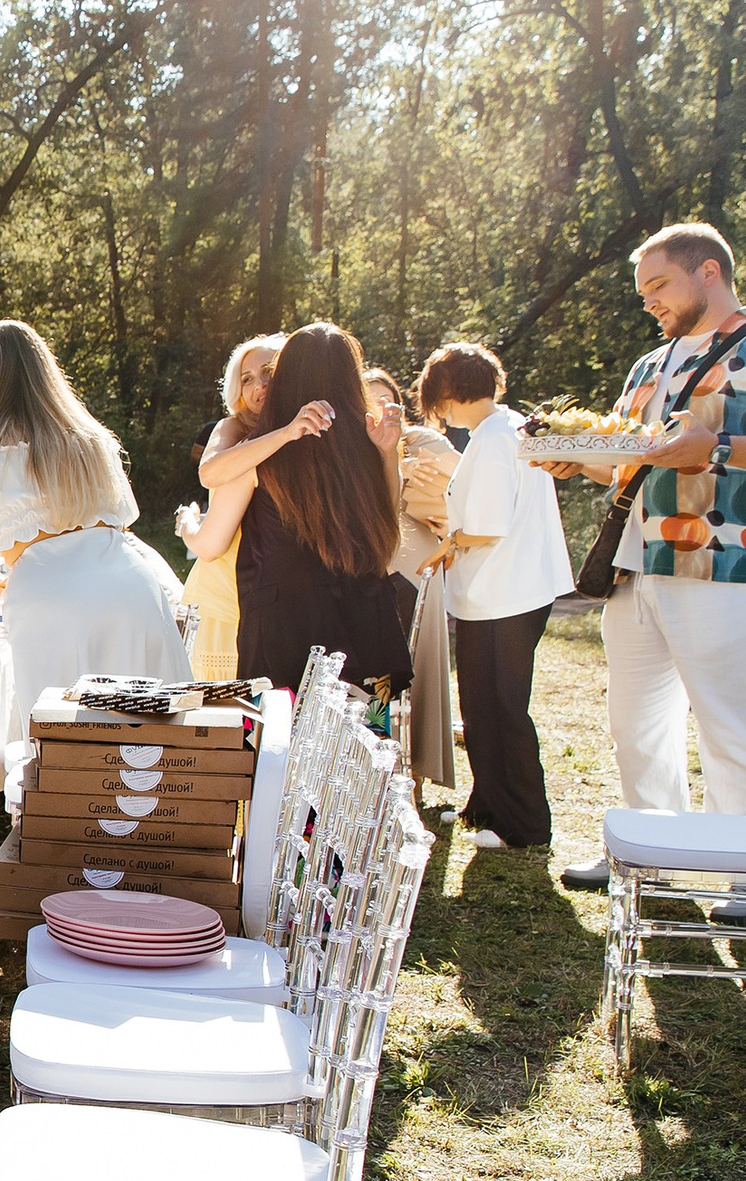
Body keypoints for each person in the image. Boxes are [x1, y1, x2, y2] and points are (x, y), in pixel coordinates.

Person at [544, 223, 746, 908]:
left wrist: (719, 447)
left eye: (658, 285)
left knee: (736, 725)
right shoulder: (650, 366)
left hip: (730, 565)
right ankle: (652, 856)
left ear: (708, 271)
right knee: (635, 725)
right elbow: (634, 460)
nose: (648, 300)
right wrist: (577, 460)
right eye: (643, 290)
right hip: (635, 567)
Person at [0, 319, 191, 738]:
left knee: (69, 752)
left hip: (49, 602)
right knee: (156, 739)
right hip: (132, 589)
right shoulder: (92, 441)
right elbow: (123, 520)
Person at [418, 343, 572, 848]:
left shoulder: (493, 440)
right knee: (480, 702)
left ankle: (523, 824)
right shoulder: (506, 428)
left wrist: (448, 544)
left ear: (445, 393)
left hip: (506, 592)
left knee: (502, 705)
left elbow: (485, 526)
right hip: (500, 591)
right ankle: (485, 804)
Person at [234, 323, 414, 701]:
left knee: (274, 751)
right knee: (369, 747)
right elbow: (388, 526)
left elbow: (209, 473)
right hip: (366, 628)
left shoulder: (264, 447)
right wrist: (387, 454)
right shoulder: (367, 441)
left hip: (283, 632)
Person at [366, 365, 458, 797]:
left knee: (417, 668)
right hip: (372, 564)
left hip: (417, 564)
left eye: (387, 399)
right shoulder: (347, 448)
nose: (380, 408)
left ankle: (414, 770)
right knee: (378, 673)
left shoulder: (426, 442)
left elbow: (457, 490)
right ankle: (376, 762)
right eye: (367, 399)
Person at [175, 333, 284, 679]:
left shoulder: (301, 434)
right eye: (247, 378)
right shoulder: (234, 429)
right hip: (222, 599)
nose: (258, 386)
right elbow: (209, 473)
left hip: (267, 602)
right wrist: (188, 523)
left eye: (269, 372)